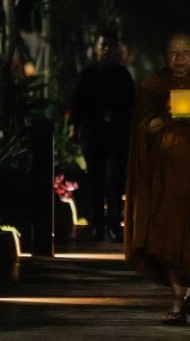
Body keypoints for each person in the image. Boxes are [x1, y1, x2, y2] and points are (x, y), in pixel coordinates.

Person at [124, 30, 190, 325]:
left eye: (185, 53)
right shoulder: (155, 85)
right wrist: (165, 119)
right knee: (168, 236)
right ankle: (177, 300)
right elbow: (141, 127)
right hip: (166, 176)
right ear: (165, 56)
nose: (180, 59)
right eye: (173, 53)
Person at [68, 29, 135, 242]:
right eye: (101, 46)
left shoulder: (123, 75)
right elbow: (77, 103)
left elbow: (132, 105)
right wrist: (73, 127)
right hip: (93, 134)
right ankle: (96, 225)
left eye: (109, 46)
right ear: (96, 50)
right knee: (95, 180)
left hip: (117, 134)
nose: (105, 50)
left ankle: (114, 225)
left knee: (114, 180)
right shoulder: (87, 74)